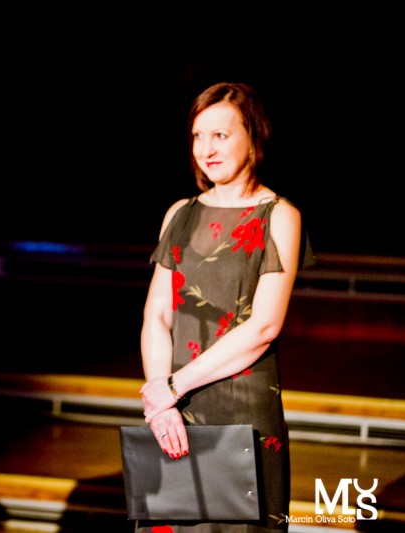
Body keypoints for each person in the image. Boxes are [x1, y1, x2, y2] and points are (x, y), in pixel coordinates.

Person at [137, 82, 312, 532]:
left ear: (253, 137)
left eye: (220, 135)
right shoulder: (180, 213)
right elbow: (157, 314)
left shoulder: (279, 215)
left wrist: (172, 386)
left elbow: (264, 326)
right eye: (198, 136)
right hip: (173, 410)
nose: (206, 149)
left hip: (240, 410)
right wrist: (162, 401)